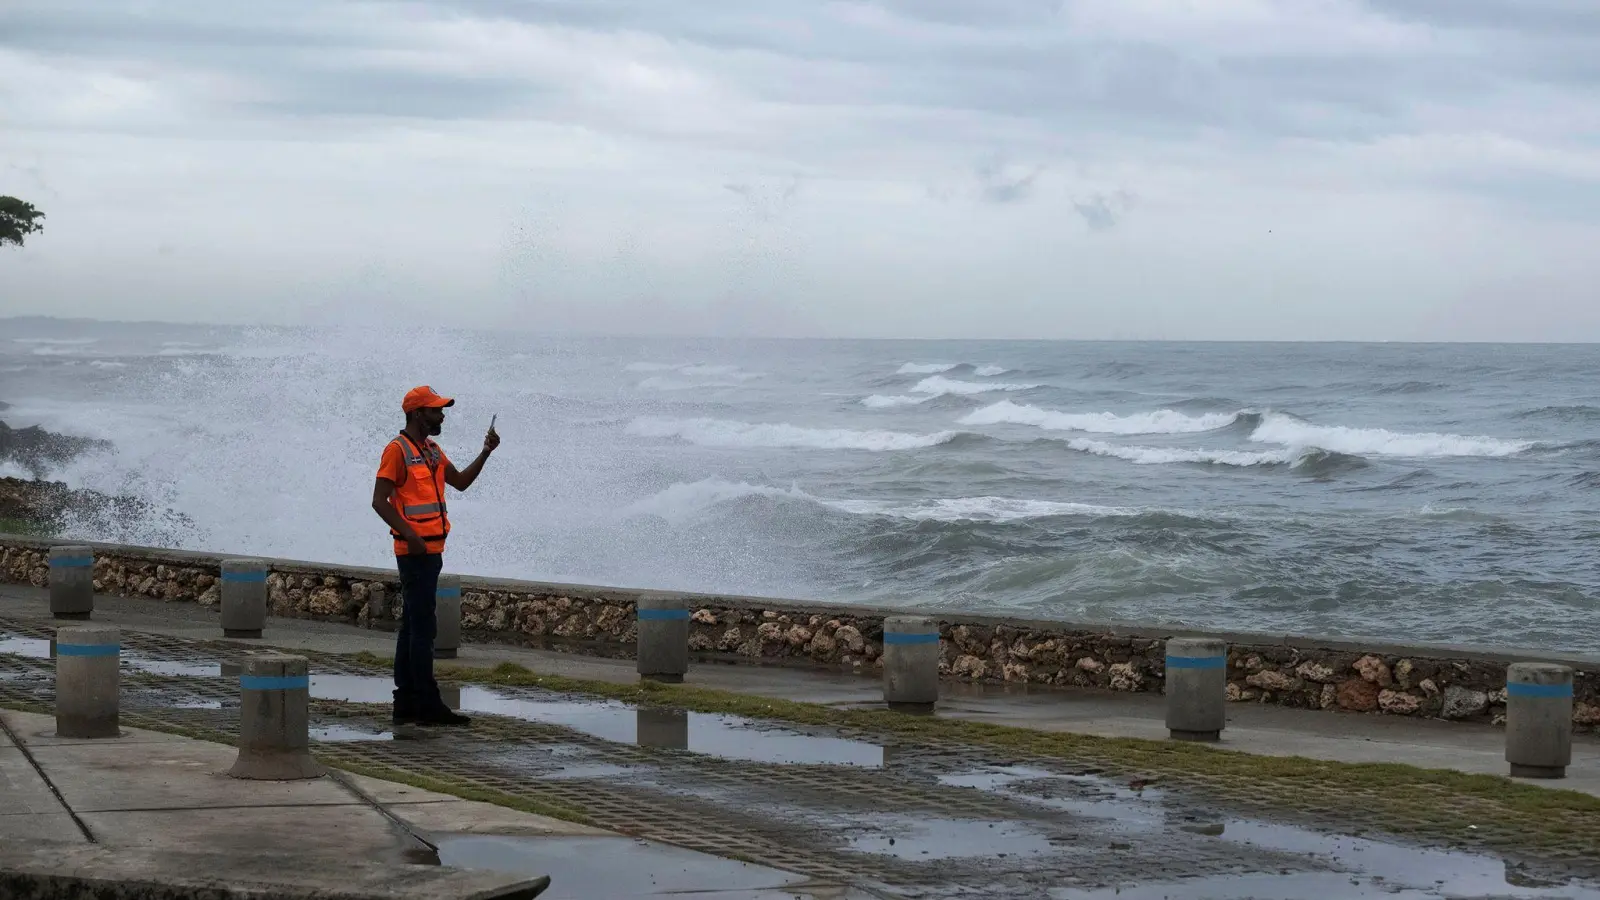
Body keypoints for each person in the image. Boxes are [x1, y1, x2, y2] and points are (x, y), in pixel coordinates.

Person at [371, 385, 499, 726]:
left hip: (431, 550)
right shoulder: (396, 451)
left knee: (412, 626)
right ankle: (426, 703)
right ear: (417, 414)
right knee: (423, 627)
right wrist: (410, 534)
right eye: (435, 410)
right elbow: (379, 500)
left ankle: (406, 703)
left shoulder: (431, 450)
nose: (442, 415)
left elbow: (459, 482)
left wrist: (485, 452)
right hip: (415, 552)